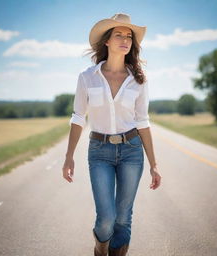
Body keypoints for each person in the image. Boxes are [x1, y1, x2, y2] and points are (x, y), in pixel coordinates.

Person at [62, 13, 161, 256]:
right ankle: (100, 248)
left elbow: (143, 122)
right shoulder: (87, 77)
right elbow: (78, 117)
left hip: (132, 151)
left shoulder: (138, 80)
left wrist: (154, 164)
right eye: (119, 35)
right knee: (106, 218)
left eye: (128, 36)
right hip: (100, 151)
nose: (125, 39)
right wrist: (69, 156)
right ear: (107, 41)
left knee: (123, 218)